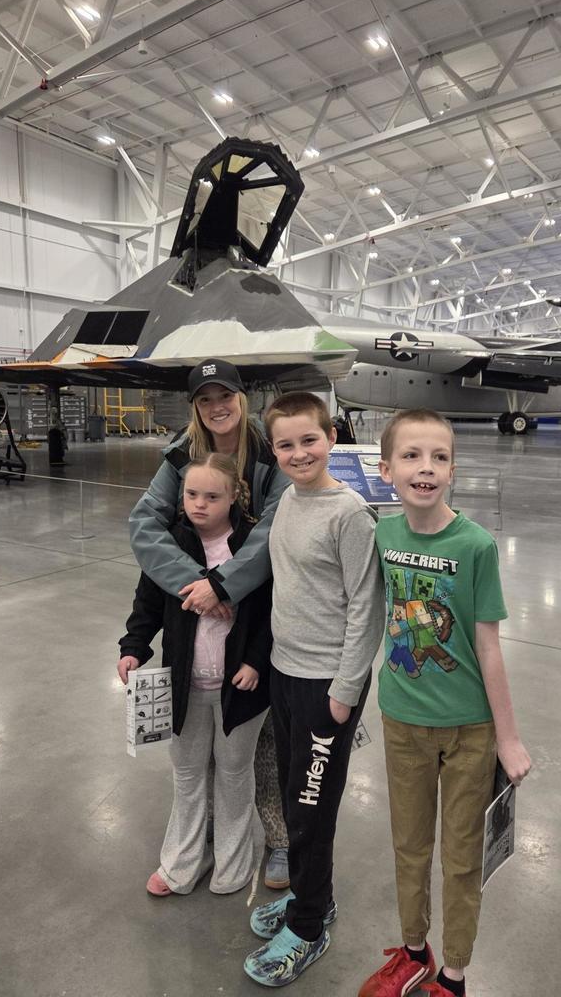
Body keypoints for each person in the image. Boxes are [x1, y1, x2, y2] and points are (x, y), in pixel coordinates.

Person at [357, 408, 532, 997]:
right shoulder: (383, 534)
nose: (425, 468)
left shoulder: (476, 545)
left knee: (460, 858)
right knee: (409, 845)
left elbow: (488, 646)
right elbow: (368, 615)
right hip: (403, 720)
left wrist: (508, 739)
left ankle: (452, 975)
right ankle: (413, 950)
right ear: (386, 470)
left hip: (469, 731)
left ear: (453, 469)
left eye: (438, 457)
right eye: (411, 456)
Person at [128, 359, 291, 889]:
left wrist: (227, 586)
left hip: (256, 638)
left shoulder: (271, 452)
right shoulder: (180, 455)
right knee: (194, 767)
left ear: (244, 397)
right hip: (191, 658)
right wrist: (196, 586)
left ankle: (271, 847)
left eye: (226, 395)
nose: (216, 407)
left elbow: (274, 533)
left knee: (255, 760)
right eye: (204, 399)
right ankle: (191, 854)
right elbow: (145, 529)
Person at [243, 392, 385, 987]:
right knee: (293, 794)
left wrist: (346, 689)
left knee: (310, 808)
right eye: (285, 443)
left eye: (309, 440)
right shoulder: (288, 504)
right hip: (285, 671)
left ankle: (307, 926)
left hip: (328, 683)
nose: (298, 452)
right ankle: (310, 895)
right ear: (273, 450)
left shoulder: (349, 512)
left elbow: (367, 608)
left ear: (331, 438)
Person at [118, 453, 272, 895]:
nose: (199, 504)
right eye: (190, 494)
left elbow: (269, 612)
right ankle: (182, 862)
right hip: (184, 685)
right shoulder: (169, 543)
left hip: (241, 690)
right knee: (187, 777)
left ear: (234, 498)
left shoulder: (253, 546)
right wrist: (133, 649)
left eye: (212, 496)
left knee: (234, 774)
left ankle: (233, 861)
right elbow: (147, 603)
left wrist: (254, 661)